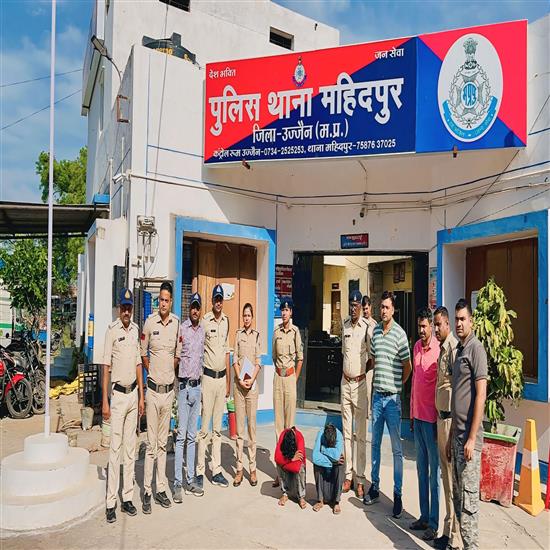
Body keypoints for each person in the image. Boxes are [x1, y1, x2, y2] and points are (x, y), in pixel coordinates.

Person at [364, 290, 412, 519]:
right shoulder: (375, 332)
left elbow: (407, 366)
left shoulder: (400, 335)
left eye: (386, 307)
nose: (383, 310)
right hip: (377, 398)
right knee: (374, 445)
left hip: (392, 400)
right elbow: (373, 360)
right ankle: (374, 487)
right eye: (381, 307)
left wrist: (398, 385)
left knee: (396, 450)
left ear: (393, 310)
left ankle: (397, 494)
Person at [446, 299, 487, 550]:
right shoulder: (459, 350)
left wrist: (471, 438)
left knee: (469, 506)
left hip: (469, 442)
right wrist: (452, 437)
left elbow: (480, 395)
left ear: (471, 321)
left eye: (463, 319)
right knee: (458, 499)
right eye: (457, 319)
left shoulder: (476, 349)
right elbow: (457, 399)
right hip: (457, 438)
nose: (459, 323)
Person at [103, 288, 144, 523]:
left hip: (133, 395)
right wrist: (105, 400)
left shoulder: (136, 330)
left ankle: (127, 497)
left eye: (129, 307)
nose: (127, 311)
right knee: (115, 449)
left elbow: (138, 364)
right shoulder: (112, 331)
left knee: (130, 450)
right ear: (119, 309)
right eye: (124, 307)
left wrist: (141, 396)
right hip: (117, 397)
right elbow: (106, 366)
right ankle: (111, 502)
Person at [141, 281, 181, 513]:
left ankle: (161, 488)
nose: (163, 304)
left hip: (168, 393)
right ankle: (147, 491)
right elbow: (143, 353)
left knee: (164, 444)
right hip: (153, 392)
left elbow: (177, 355)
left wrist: (167, 372)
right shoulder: (149, 323)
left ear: (171, 302)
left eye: (166, 300)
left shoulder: (176, 324)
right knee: (151, 444)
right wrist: (154, 372)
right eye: (161, 300)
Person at [409, 308, 441, 541]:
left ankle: (434, 523)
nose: (421, 330)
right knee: (421, 470)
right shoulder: (416, 348)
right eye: (419, 326)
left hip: (432, 421)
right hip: (418, 418)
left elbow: (441, 387)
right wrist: (411, 413)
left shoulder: (439, 350)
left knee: (433, 475)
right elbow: (415, 384)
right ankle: (423, 516)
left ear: (431, 325)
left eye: (424, 326)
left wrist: (440, 421)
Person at [196, 284, 231, 489]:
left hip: (221, 380)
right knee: (204, 429)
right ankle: (200, 471)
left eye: (220, 299)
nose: (218, 302)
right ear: (212, 301)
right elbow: (199, 350)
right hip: (208, 380)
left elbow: (227, 353)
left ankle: (216, 470)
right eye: (216, 299)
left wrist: (228, 383)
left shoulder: (226, 321)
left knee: (218, 430)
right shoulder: (205, 321)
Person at [433, 306, 461, 550]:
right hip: (441, 420)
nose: (435, 329)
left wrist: (452, 431)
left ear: (447, 324)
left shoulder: (453, 349)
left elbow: (458, 390)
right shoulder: (442, 349)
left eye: (438, 324)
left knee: (453, 481)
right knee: (445, 478)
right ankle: (447, 529)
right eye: (434, 324)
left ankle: (456, 538)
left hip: (451, 421)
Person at [173, 292, 205, 503]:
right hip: (184, 388)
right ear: (189, 309)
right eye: (192, 306)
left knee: (193, 437)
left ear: (200, 310)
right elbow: (175, 358)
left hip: (197, 388)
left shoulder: (202, 331)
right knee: (181, 438)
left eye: (197, 307)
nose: (195, 310)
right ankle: (177, 483)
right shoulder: (182, 329)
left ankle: (191, 479)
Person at [271, 297, 303, 487]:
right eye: (282, 310)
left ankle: (290, 468)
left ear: (291, 312)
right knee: (278, 426)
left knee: (290, 426)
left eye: (287, 310)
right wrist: (282, 374)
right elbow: (273, 356)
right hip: (278, 378)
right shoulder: (276, 332)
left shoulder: (295, 332)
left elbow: (300, 358)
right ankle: (280, 471)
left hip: (290, 378)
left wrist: (294, 378)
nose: (284, 313)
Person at [341, 290, 369, 498]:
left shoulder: (367, 328)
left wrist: (361, 374)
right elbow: (344, 352)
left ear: (361, 307)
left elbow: (372, 357)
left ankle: (360, 478)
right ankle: (348, 475)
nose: (353, 308)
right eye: (351, 305)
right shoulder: (344, 326)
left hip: (360, 385)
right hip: (345, 383)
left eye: (356, 305)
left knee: (360, 435)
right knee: (346, 433)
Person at [232, 303, 261, 487]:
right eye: (244, 315)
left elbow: (258, 362)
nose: (246, 318)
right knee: (239, 431)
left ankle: (252, 468)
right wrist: (239, 378)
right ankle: (239, 469)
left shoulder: (257, 335)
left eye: (249, 315)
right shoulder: (238, 335)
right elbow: (234, 359)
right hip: (239, 387)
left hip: (251, 388)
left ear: (252, 317)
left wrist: (251, 380)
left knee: (252, 429)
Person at [312, 423, 345, 515]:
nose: (330, 444)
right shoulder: (320, 434)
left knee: (341, 464)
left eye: (332, 443)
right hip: (324, 469)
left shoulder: (339, 435)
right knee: (316, 465)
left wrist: (323, 449)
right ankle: (320, 500)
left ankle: (336, 502)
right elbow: (315, 457)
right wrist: (332, 461)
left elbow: (337, 456)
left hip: (334, 472)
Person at [274, 426, 307, 509]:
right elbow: (277, 458)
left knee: (300, 468)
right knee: (279, 464)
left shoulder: (299, 437)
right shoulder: (283, 435)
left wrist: (285, 463)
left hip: (296, 466)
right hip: (289, 460)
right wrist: (290, 460)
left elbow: (296, 467)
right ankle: (285, 494)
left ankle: (301, 497)